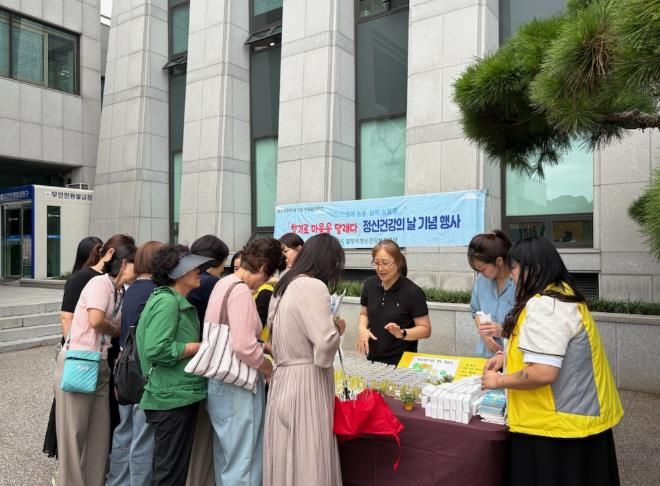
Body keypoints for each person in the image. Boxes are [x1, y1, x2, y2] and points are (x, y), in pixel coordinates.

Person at [481, 237, 623, 486]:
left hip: (555, 429)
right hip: (575, 422)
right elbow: (548, 347)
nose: (512, 275)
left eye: (514, 268)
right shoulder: (563, 295)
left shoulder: (546, 305)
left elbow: (543, 372)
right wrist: (504, 358)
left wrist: (498, 381)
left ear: (532, 267)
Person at [264, 233, 347, 486]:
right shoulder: (313, 286)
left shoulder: (283, 286)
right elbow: (325, 341)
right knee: (310, 451)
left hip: (283, 375)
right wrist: (337, 329)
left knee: (285, 450)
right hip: (307, 378)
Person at [53, 241, 137, 486]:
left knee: (99, 436)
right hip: (80, 361)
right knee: (74, 436)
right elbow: (96, 320)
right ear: (124, 264)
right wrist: (116, 330)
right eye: (137, 263)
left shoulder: (120, 291)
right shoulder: (99, 284)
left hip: (100, 365)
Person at [204, 238, 284, 486]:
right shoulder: (240, 292)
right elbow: (243, 345)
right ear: (262, 268)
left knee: (227, 456)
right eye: (268, 275)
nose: (265, 282)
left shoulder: (224, 284)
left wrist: (265, 346)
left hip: (219, 380)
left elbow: (234, 336)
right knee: (244, 460)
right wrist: (268, 368)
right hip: (239, 383)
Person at [136, 245, 211, 486]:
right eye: (193, 267)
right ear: (176, 272)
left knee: (171, 470)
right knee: (170, 474)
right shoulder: (167, 302)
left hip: (174, 394)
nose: (199, 271)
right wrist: (198, 346)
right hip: (171, 396)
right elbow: (156, 349)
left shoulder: (168, 299)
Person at [108, 241, 165, 486]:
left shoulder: (131, 290)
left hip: (124, 368)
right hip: (143, 371)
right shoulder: (156, 291)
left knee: (125, 430)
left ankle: (117, 481)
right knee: (143, 435)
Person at [184, 235, 229, 486]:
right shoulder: (212, 283)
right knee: (204, 429)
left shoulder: (182, 282)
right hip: (207, 358)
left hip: (187, 357)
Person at [356, 239, 431, 365]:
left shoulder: (413, 292)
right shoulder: (369, 285)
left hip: (402, 363)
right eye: (376, 263)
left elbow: (425, 329)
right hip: (373, 360)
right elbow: (364, 313)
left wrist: (402, 333)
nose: (380, 268)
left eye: (385, 263)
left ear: (398, 262)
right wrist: (362, 328)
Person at [467, 230, 515, 358]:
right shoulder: (481, 280)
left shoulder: (518, 282)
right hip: (486, 353)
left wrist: (503, 331)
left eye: (482, 269)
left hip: (512, 356)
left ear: (499, 261)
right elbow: (476, 310)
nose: (480, 274)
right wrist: (485, 335)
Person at [187, 235, 230, 327]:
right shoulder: (210, 282)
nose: (223, 269)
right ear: (216, 261)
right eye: (224, 263)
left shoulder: (187, 278)